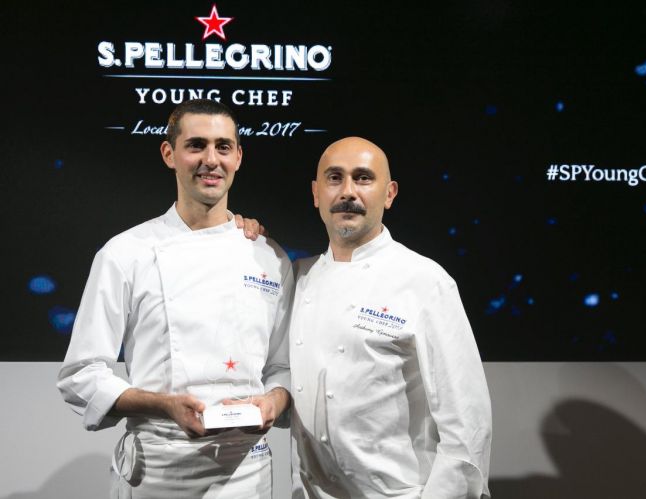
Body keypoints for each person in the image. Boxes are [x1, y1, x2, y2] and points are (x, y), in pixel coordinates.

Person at [57, 99, 292, 498]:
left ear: (238, 156)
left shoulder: (269, 256)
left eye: (222, 147)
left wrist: (273, 401)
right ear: (170, 154)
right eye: (196, 145)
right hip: (158, 470)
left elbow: (282, 366)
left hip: (247, 474)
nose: (210, 160)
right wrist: (162, 405)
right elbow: (80, 375)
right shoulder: (126, 252)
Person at [287, 137, 492, 498]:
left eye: (363, 178)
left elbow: (468, 424)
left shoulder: (425, 281)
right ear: (316, 193)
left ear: (390, 193)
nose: (348, 191)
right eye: (335, 178)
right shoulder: (298, 278)